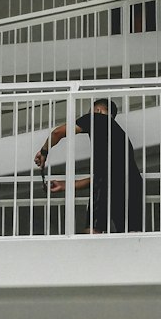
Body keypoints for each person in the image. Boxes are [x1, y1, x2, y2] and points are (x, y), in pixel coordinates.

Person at [35, 99, 145, 234]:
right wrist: (65, 185)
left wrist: (44, 151)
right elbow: (107, 176)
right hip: (133, 183)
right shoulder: (121, 137)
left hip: (108, 183)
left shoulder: (96, 118)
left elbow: (57, 133)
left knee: (92, 232)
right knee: (132, 234)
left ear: (98, 110)